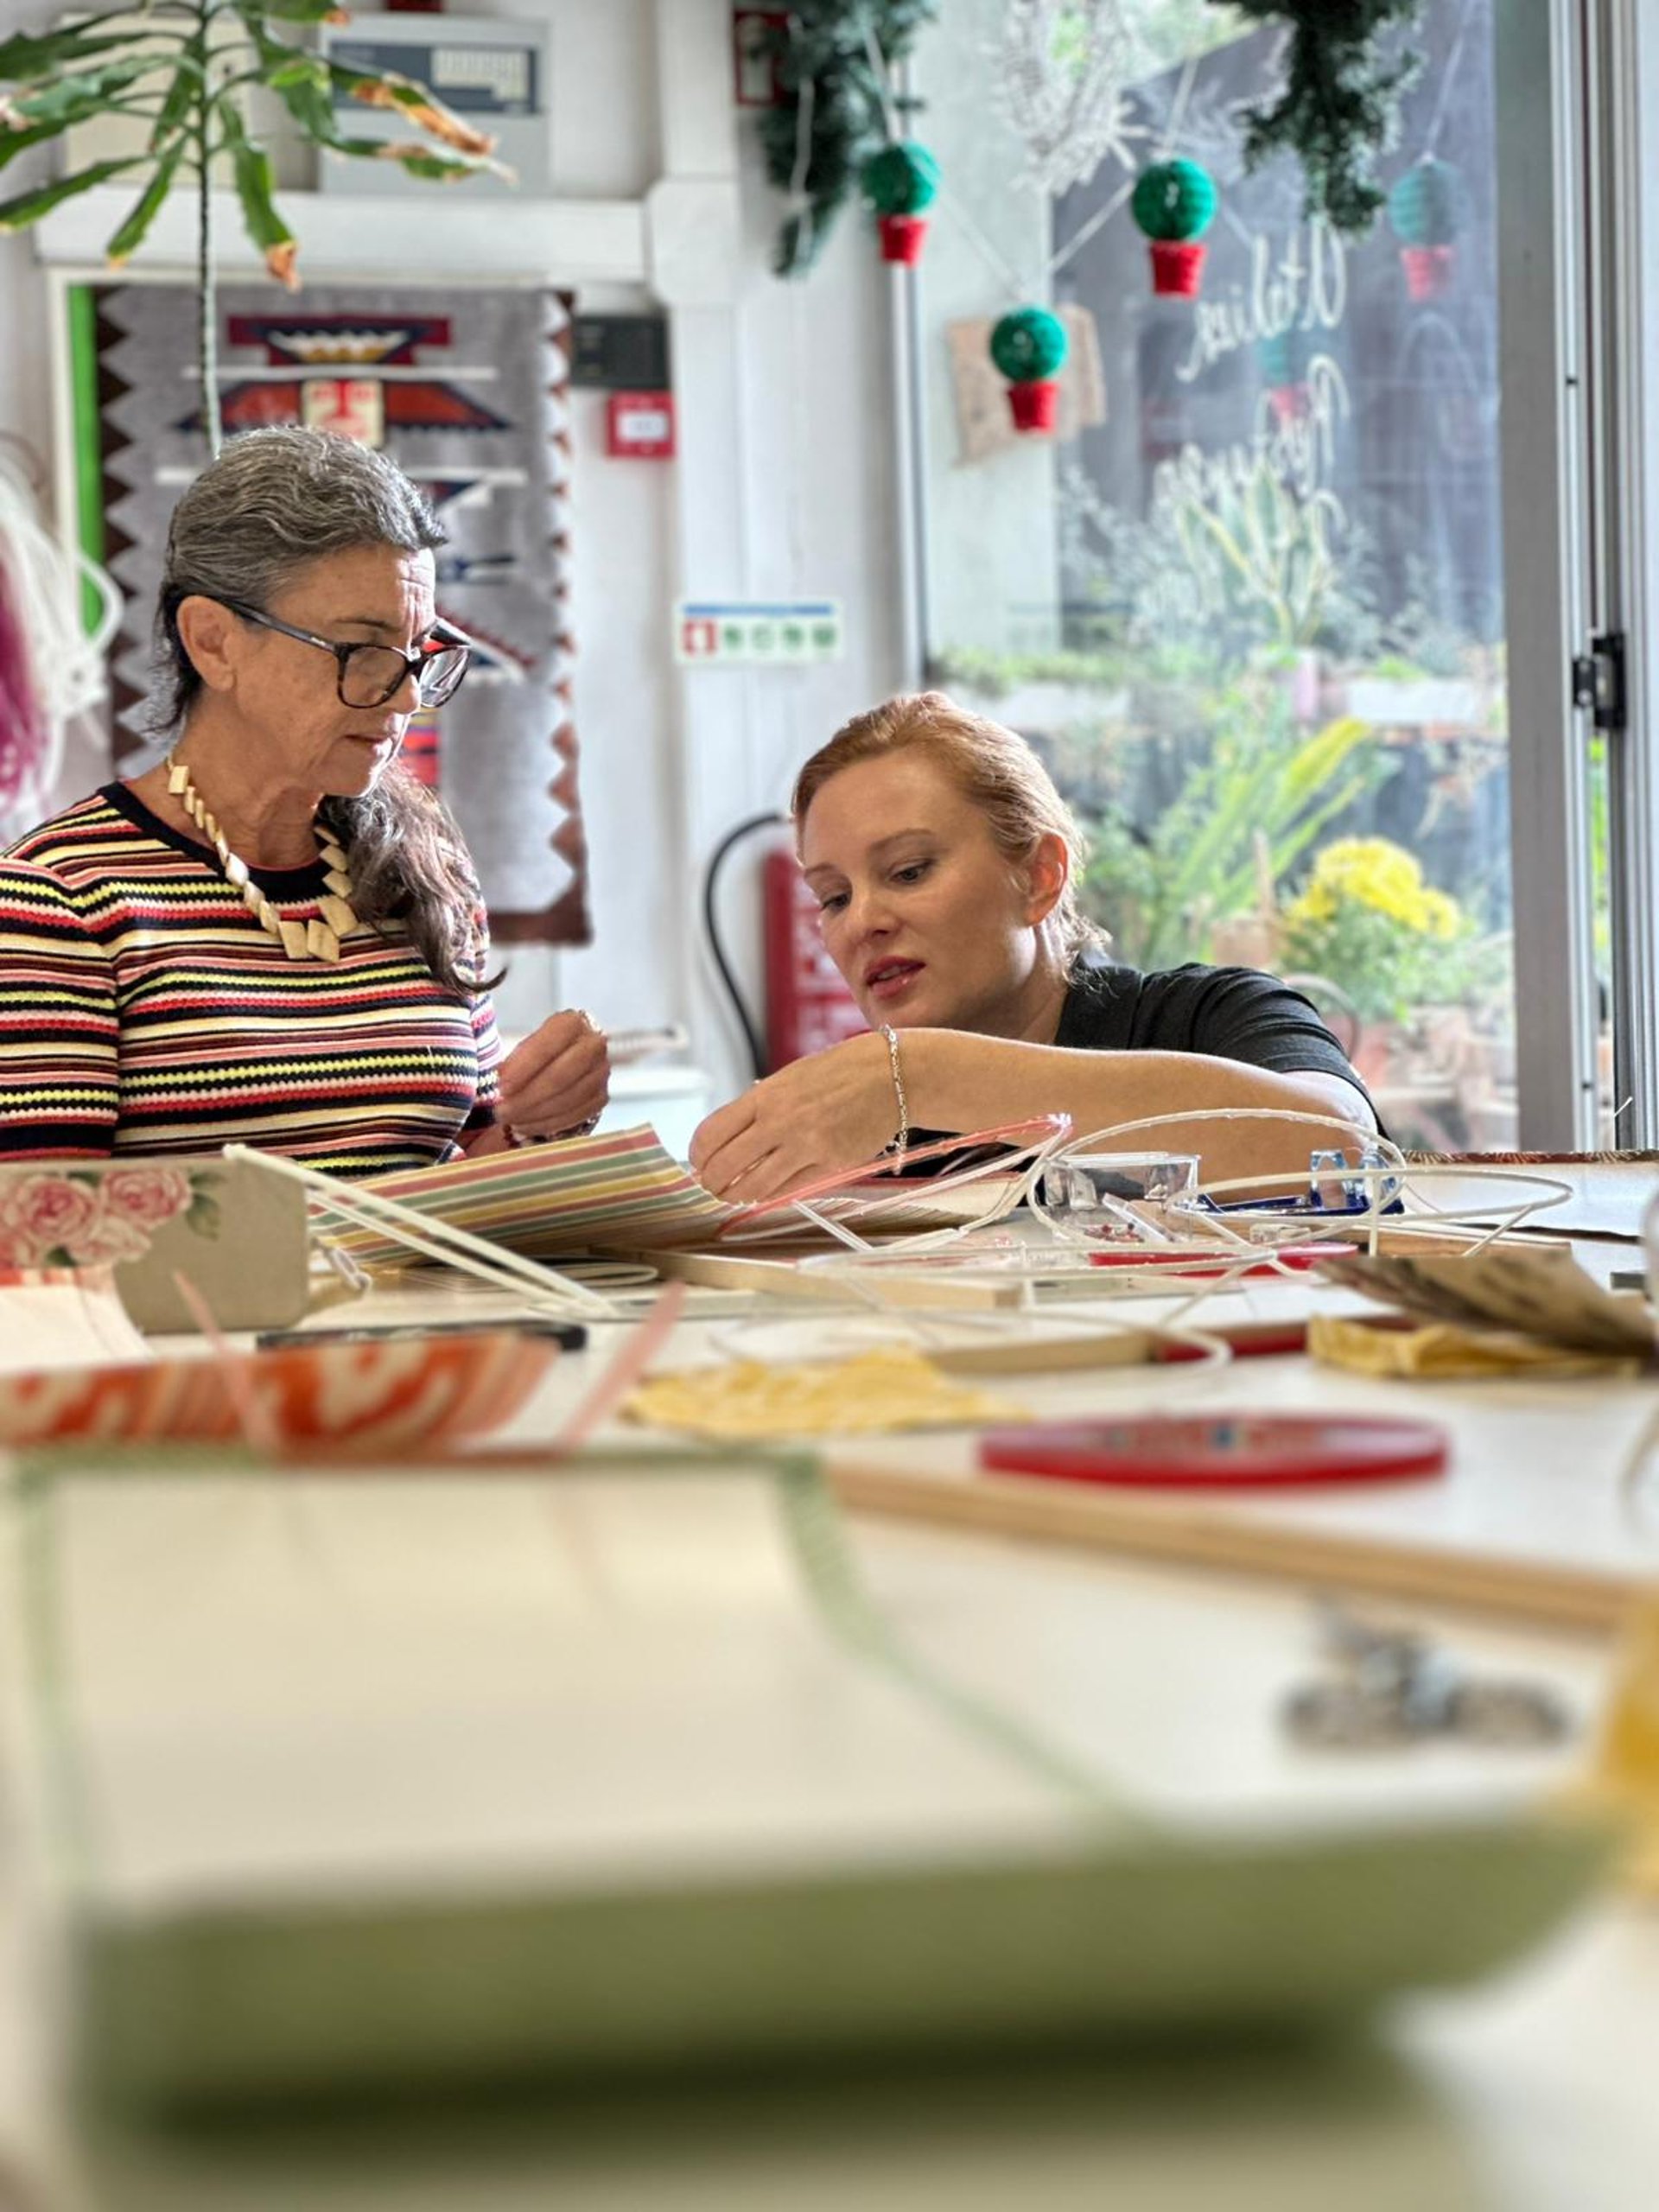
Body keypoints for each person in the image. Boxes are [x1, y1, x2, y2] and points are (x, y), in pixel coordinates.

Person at [0, 427, 607, 1174]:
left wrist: (534, 1128)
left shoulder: (423, 867)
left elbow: (461, 1160)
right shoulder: (57, 899)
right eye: (363, 651)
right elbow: (45, 1222)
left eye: (419, 652)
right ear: (213, 642)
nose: (406, 696)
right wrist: (360, 1222)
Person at [690, 692, 1376, 1201]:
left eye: (909, 871)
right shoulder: (864, 1129)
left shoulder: (1209, 1016)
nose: (861, 922)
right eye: (834, 897)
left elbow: (1344, 1151)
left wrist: (922, 1077)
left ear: (1041, 876)